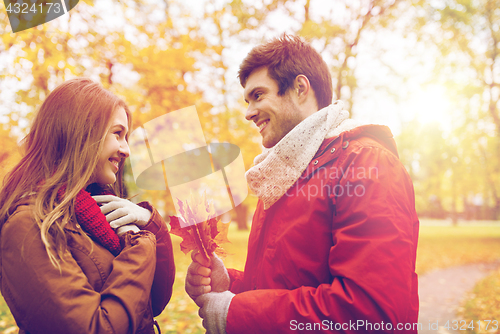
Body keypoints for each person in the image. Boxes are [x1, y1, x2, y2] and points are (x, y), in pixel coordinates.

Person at [185, 34, 419, 333]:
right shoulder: (281, 174)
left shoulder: (368, 166)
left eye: (258, 95)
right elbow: (286, 282)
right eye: (247, 100)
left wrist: (235, 312)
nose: (248, 113)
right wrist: (231, 283)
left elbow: (372, 313)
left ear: (299, 88)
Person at [0, 78, 175, 334]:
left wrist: (150, 223)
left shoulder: (95, 212)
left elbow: (151, 303)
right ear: (80, 132)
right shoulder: (30, 225)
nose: (126, 149)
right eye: (118, 133)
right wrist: (141, 246)